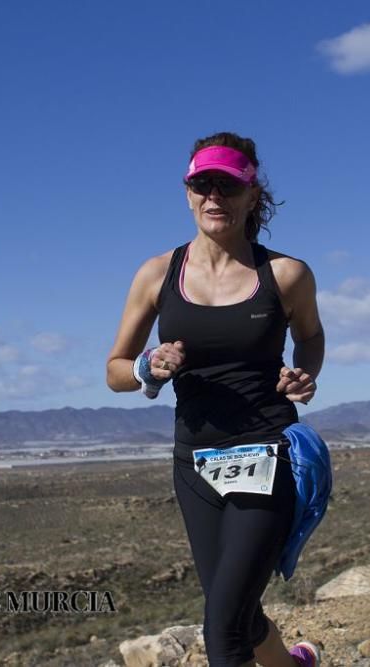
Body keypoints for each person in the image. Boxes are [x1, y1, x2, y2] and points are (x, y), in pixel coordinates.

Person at [106, 131, 327, 667]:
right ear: (187, 193)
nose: (214, 197)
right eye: (202, 184)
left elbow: (312, 338)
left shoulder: (285, 274)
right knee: (242, 615)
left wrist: (304, 374)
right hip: (194, 463)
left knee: (223, 629)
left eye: (227, 186)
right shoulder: (158, 274)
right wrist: (147, 368)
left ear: (253, 195)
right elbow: (114, 371)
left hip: (267, 455)